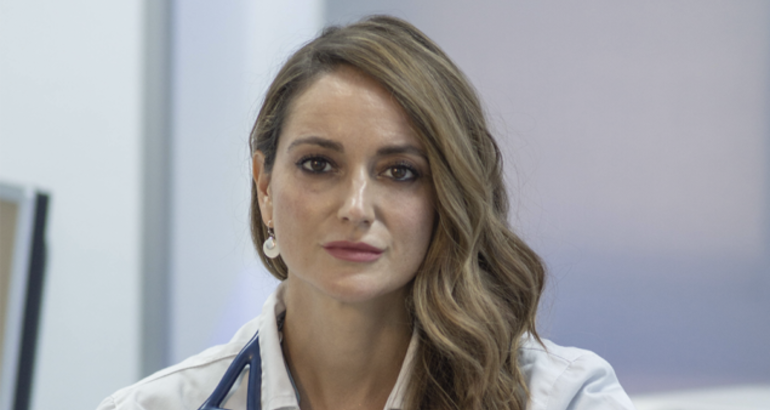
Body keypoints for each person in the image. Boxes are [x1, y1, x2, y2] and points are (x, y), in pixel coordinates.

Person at [98, 15, 636, 410]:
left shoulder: (562, 397)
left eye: (400, 171)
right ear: (264, 186)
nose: (355, 208)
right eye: (318, 164)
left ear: (446, 196)